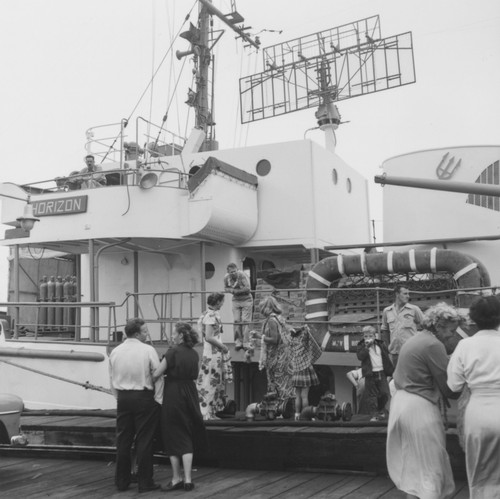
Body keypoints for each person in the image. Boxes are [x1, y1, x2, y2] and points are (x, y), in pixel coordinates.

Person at [386, 302, 461, 499]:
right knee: (431, 466)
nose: (452, 336)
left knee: (414, 467)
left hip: (401, 404)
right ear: (439, 327)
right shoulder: (433, 345)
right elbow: (449, 389)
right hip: (419, 408)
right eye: (451, 331)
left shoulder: (417, 339)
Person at [447, 296, 500, 498]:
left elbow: (454, 385)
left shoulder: (465, 346)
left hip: (477, 413)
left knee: (478, 474)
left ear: (473, 319)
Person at [153, 322, 207, 492]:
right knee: (186, 434)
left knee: (172, 434)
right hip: (190, 393)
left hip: (174, 393)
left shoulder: (172, 352)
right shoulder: (194, 353)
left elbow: (156, 374)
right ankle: (188, 480)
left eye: (174, 333)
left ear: (181, 335)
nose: (172, 336)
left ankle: (177, 478)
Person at [109, 318, 161, 493]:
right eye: (145, 331)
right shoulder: (148, 350)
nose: (147, 334)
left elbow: (111, 378)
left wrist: (118, 397)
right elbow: (158, 374)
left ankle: (122, 481)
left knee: (123, 439)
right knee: (144, 440)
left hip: (123, 398)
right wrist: (158, 399)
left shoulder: (115, 351)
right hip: (143, 396)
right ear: (137, 334)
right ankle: (145, 481)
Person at [196, 292, 233, 420]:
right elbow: (209, 337)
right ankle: (206, 412)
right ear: (217, 302)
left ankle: (210, 411)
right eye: (222, 301)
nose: (222, 304)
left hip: (213, 353)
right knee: (210, 381)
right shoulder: (211, 316)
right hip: (212, 353)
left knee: (213, 381)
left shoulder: (208, 314)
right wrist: (222, 346)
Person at [257, 296, 294, 405]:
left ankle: (278, 408)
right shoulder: (279, 318)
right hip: (284, 356)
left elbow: (275, 339)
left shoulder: (271, 321)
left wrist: (260, 336)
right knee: (285, 383)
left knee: (276, 383)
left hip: (276, 358)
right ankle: (286, 408)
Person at [380, 284, 424, 368]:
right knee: (397, 377)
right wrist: (388, 346)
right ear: (397, 294)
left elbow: (426, 325)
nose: (408, 296)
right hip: (395, 353)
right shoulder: (387, 311)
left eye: (408, 294)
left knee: (411, 376)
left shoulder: (414, 309)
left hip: (411, 352)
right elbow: (385, 330)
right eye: (405, 293)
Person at [356, 325, 393, 421]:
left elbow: (386, 356)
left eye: (370, 336)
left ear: (374, 336)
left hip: (381, 372)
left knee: (385, 393)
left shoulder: (380, 344)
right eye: (366, 336)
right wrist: (366, 347)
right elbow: (360, 357)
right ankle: (374, 415)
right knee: (372, 396)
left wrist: (389, 370)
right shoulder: (361, 345)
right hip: (370, 374)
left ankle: (381, 410)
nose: (368, 338)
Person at [288, 325, 321, 420]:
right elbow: (309, 338)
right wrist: (304, 328)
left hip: (296, 370)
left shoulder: (291, 340)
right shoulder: (303, 338)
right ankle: (306, 415)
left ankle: (297, 415)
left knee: (297, 396)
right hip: (305, 369)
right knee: (305, 396)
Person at [223, 263, 253, 350]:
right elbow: (226, 288)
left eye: (234, 271)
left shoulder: (242, 275)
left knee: (245, 320)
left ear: (237, 270)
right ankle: (238, 342)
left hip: (246, 299)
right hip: (236, 300)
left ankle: (246, 343)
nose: (233, 273)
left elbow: (248, 288)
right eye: (231, 272)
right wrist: (232, 290)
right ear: (228, 272)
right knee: (236, 320)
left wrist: (235, 291)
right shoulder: (226, 278)